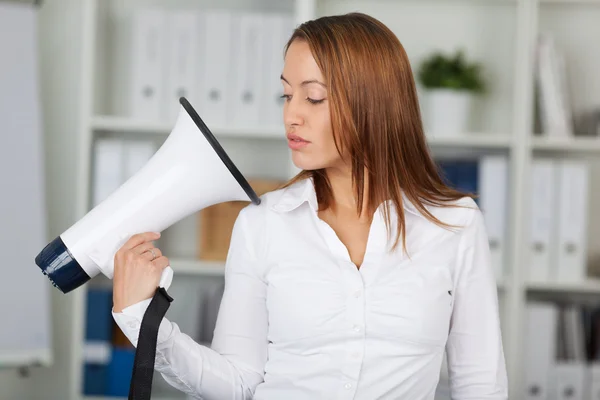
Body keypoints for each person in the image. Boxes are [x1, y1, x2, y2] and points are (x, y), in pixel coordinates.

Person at [111, 12, 508, 400]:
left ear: (375, 103)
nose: (291, 114)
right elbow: (238, 382)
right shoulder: (262, 223)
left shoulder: (455, 224)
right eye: (287, 94)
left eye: (314, 97)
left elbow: (481, 384)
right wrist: (144, 321)